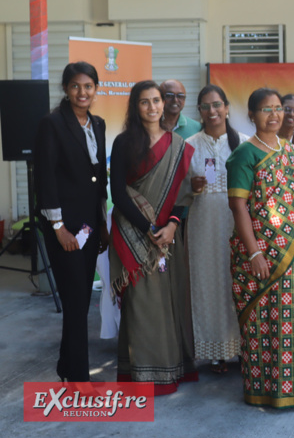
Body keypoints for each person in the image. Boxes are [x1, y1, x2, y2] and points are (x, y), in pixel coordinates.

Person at [226, 87, 294, 408]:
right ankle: (265, 389)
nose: (274, 115)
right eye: (266, 109)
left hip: (293, 253)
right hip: (259, 254)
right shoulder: (244, 155)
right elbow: (238, 207)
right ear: (252, 115)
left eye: (278, 108)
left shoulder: (293, 153)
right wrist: (254, 253)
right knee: (262, 322)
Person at [109, 80, 197, 395]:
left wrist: (171, 226)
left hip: (168, 237)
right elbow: (118, 193)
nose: (153, 107)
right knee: (142, 304)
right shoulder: (123, 143)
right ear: (136, 107)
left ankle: (172, 371)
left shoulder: (177, 146)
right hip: (134, 233)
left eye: (157, 100)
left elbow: (184, 194)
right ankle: (144, 376)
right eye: (145, 102)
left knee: (169, 301)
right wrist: (148, 229)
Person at [34, 61, 109, 382]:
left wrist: (102, 223)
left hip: (91, 226)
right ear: (66, 89)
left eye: (88, 86)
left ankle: (67, 367)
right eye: (76, 86)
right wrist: (57, 227)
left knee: (79, 301)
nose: (83, 92)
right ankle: (78, 377)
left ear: (96, 89)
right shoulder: (52, 124)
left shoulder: (99, 124)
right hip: (64, 229)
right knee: (76, 299)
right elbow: (45, 178)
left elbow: (98, 181)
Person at [183, 84, 248, 374]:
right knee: (207, 284)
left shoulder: (245, 144)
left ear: (227, 107)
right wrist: (190, 186)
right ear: (199, 111)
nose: (212, 111)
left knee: (238, 283)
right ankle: (216, 352)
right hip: (202, 226)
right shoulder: (188, 146)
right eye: (206, 107)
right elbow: (176, 191)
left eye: (217, 105)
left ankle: (244, 348)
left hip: (238, 224)